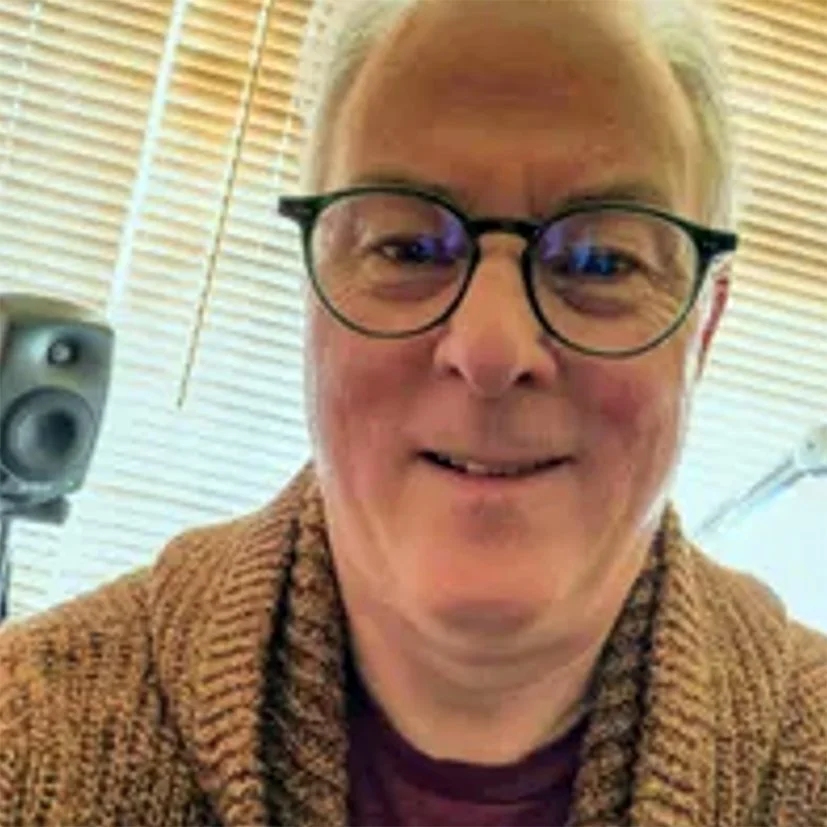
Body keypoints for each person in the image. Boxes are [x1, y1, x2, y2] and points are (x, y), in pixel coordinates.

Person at [1, 0, 826, 824]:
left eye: (602, 261)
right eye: (405, 248)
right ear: (311, 292)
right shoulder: (25, 740)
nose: (492, 349)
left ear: (703, 327)